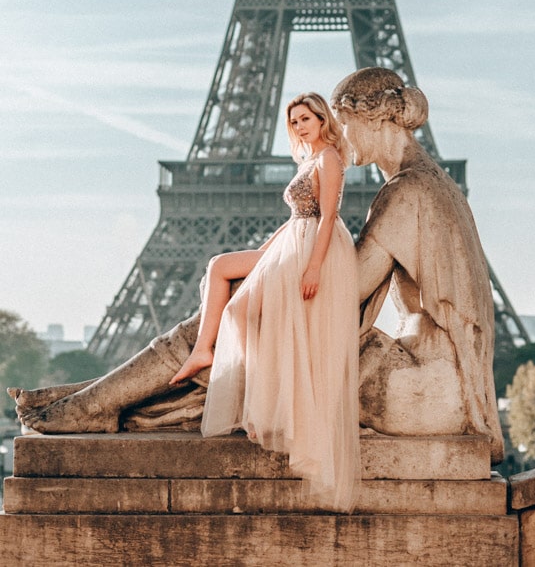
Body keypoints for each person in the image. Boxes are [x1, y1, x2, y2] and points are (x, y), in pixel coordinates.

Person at [13, 93, 361, 512]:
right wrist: (266, 252)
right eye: (294, 121)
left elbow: (327, 218)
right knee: (220, 268)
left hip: (311, 251)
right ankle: (204, 352)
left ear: (323, 119)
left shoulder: (329, 160)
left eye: (306, 118)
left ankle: (229, 371)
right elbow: (294, 220)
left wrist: (313, 269)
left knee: (240, 308)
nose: (300, 126)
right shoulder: (308, 161)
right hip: (292, 243)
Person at [330, 67, 504, 463]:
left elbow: (347, 288)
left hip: (426, 390)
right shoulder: (435, 183)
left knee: (283, 350)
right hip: (439, 381)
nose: (341, 137)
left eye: (345, 123)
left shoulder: (406, 192)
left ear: (375, 120)